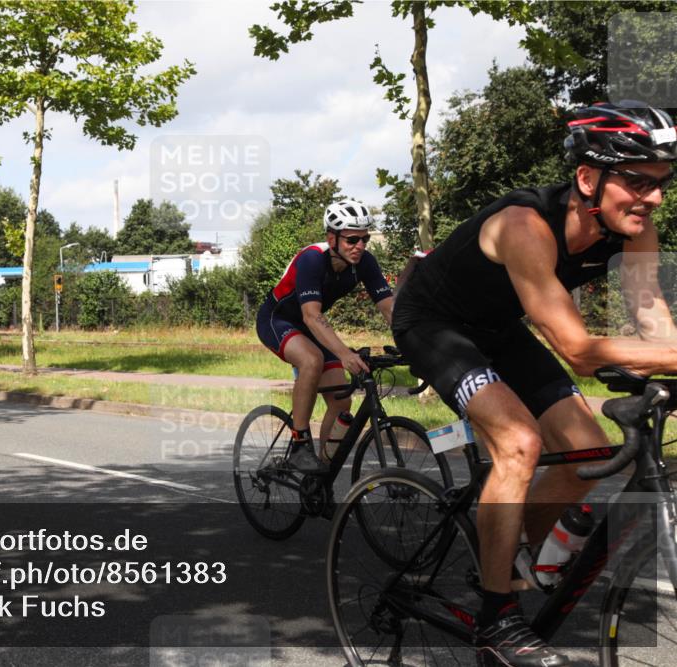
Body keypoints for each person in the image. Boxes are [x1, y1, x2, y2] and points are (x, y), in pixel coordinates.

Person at [391, 100, 677, 666]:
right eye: (639, 182)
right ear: (587, 177)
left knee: (589, 449)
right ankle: (496, 619)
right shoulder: (525, 225)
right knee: (519, 444)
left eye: (663, 183)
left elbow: (652, 317)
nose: (655, 198)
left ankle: (511, 555)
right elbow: (576, 349)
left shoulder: (633, 227)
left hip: (497, 328)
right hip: (431, 323)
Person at [256, 200, 394, 473]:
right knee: (311, 359)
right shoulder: (311, 259)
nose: (360, 246)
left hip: (311, 326)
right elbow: (311, 315)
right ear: (332, 238)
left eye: (364, 239)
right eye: (352, 239)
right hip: (278, 319)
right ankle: (299, 443)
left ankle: (320, 475)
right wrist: (344, 353)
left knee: (342, 401)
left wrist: (415, 343)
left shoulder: (365, 263)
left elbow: (390, 308)